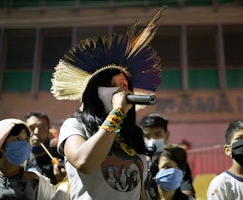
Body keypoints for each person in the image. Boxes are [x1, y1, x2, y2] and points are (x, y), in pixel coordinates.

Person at [51, 7, 165, 200]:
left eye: (123, 86)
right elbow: (84, 162)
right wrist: (117, 112)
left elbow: (140, 193)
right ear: (94, 92)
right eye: (111, 86)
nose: (120, 92)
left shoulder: (134, 135)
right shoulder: (75, 126)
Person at [139, 113, 195, 198]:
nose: (152, 140)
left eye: (157, 134)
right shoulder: (138, 164)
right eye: (147, 136)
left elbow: (187, 189)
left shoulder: (176, 162)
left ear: (166, 135)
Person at [24, 111, 66, 185]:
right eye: (31, 128)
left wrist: (63, 181)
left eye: (42, 127)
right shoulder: (18, 160)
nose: (36, 132)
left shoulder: (61, 158)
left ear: (49, 132)